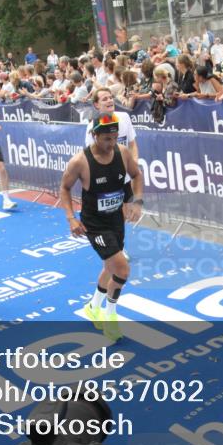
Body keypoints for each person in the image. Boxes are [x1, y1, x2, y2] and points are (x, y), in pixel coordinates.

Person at [59, 114, 144, 341]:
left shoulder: (122, 153)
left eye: (115, 137)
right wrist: (71, 219)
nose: (111, 143)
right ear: (94, 135)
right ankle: (110, 316)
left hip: (116, 219)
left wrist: (136, 201)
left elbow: (136, 175)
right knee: (122, 269)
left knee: (110, 267)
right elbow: (64, 188)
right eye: (106, 138)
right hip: (95, 225)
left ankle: (93, 305)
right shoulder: (80, 162)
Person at [85, 88, 139, 162]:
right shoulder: (92, 126)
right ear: (96, 105)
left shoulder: (125, 117)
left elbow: (132, 144)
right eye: (105, 99)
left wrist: (135, 162)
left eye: (111, 98)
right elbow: (92, 156)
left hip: (126, 170)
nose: (109, 100)